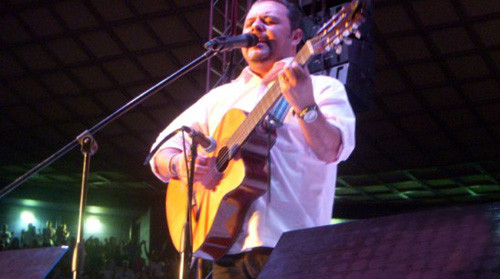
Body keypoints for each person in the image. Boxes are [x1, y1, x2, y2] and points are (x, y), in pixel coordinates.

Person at [149, 0, 355, 278]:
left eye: (269, 21)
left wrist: (306, 106)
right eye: (249, 23)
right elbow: (161, 149)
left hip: (297, 249)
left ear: (296, 37)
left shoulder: (323, 88)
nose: (256, 26)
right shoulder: (220, 97)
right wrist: (178, 164)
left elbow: (332, 150)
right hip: (226, 253)